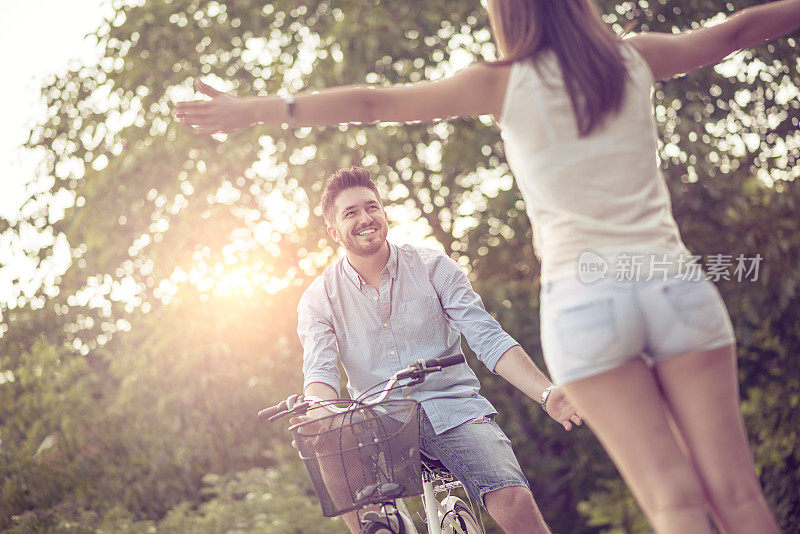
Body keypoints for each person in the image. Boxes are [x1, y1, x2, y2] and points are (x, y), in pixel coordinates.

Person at [175, 2, 800, 531]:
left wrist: (255, 111)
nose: (366, 220)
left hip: (581, 309)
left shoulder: (503, 83)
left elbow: (370, 103)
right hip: (669, 284)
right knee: (739, 495)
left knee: (667, 501)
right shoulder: (631, 57)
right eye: (352, 214)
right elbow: (740, 30)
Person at [291, 166, 581, 534]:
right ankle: (372, 529)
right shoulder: (319, 298)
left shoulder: (432, 267)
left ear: (383, 212)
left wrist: (547, 394)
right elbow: (320, 373)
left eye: (372, 207)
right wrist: (318, 411)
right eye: (351, 213)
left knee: (511, 495)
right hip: (378, 420)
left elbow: (487, 337)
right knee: (326, 433)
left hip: (452, 406)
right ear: (333, 230)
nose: (365, 218)